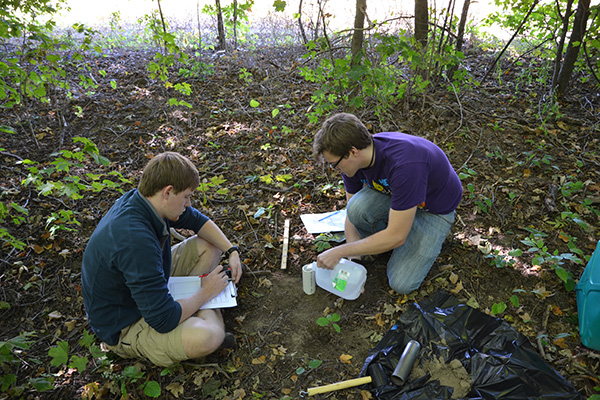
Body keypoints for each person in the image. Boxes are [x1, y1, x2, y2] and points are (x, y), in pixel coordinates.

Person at [81, 151, 243, 367]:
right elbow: (163, 319)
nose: (188, 203)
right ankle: (206, 313)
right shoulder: (134, 239)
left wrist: (231, 250)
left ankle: (200, 309)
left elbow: (197, 220)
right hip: (126, 324)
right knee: (211, 336)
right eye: (186, 196)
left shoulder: (144, 200)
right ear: (167, 192)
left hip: (147, 287)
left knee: (210, 245)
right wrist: (206, 293)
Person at [313, 113, 462, 294]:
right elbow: (352, 214)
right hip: (396, 195)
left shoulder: (405, 165)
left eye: (334, 164)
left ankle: (413, 233)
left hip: (433, 209)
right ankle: (391, 237)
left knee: (402, 283)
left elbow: (397, 236)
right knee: (357, 209)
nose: (335, 169)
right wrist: (354, 262)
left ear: (352, 152)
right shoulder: (353, 163)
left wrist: (339, 251)